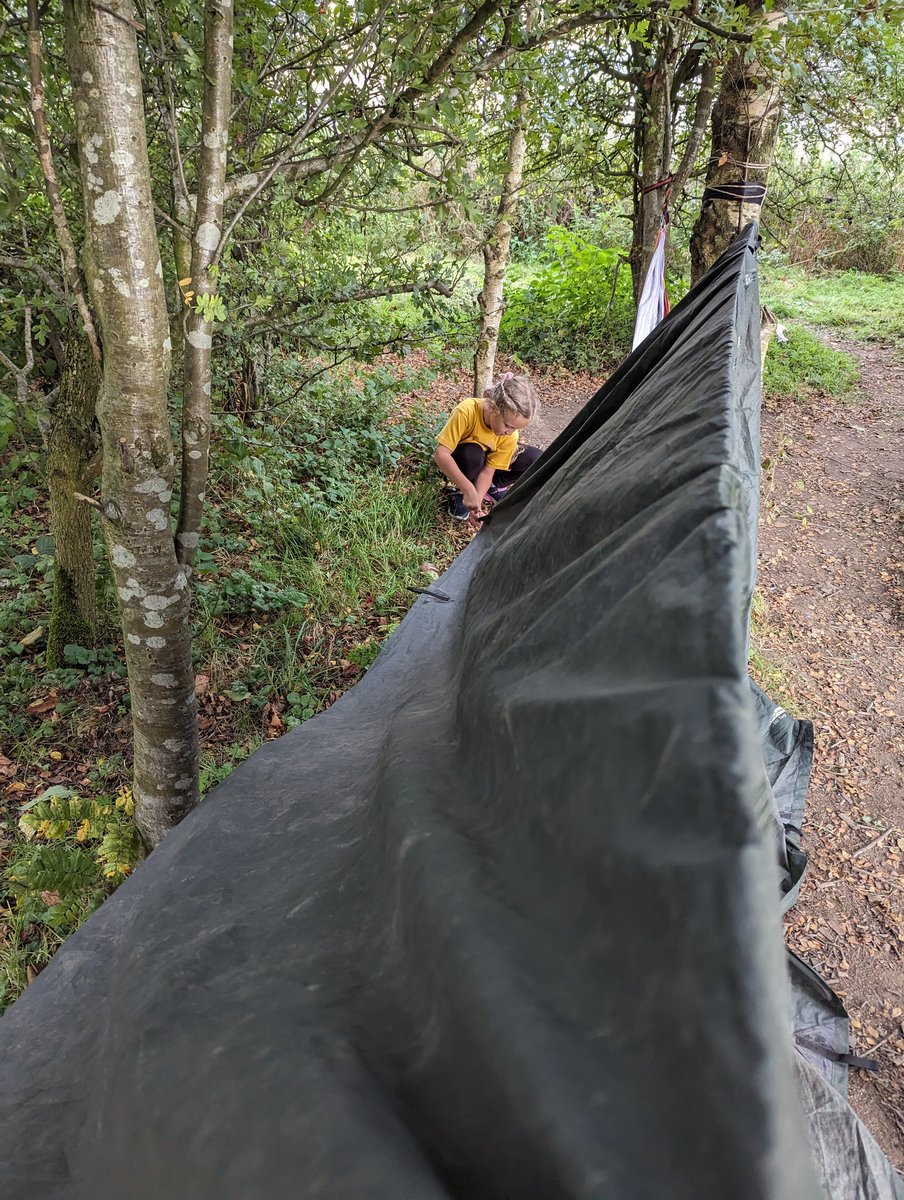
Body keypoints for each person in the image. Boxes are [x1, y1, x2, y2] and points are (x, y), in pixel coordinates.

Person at [434, 373, 541, 521]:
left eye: (515, 429)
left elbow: (488, 471)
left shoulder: (510, 435)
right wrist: (468, 490)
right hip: (462, 463)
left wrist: (476, 503)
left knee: (536, 458)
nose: (509, 432)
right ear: (493, 407)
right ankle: (459, 491)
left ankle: (491, 488)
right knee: (472, 453)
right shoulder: (467, 410)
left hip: (484, 467)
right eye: (508, 425)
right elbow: (441, 454)